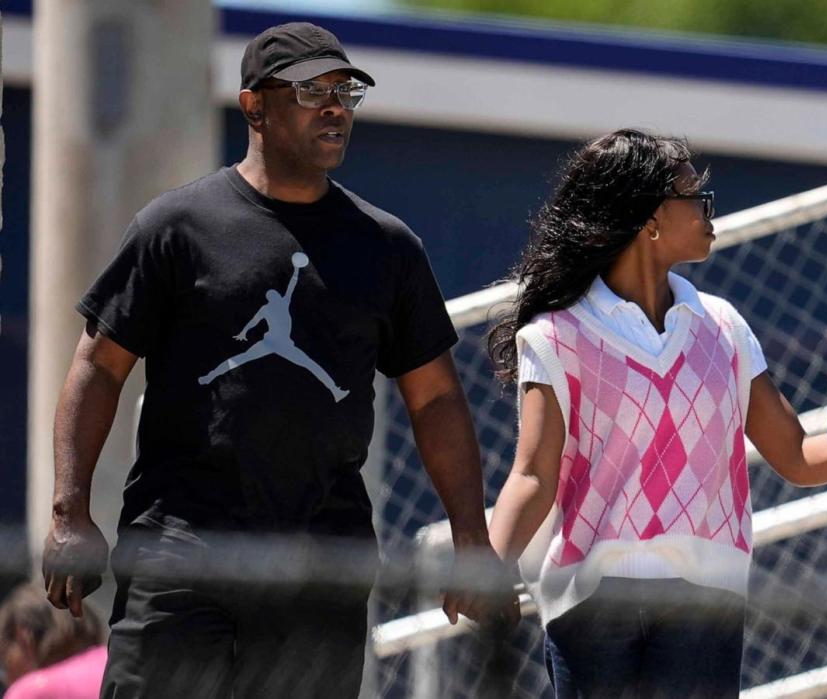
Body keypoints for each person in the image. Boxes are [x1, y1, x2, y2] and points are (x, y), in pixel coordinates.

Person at [39, 22, 514, 698]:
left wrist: (471, 539)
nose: (335, 107)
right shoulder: (175, 228)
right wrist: (68, 513)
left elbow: (435, 397)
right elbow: (99, 366)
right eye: (311, 90)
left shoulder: (387, 248)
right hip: (182, 552)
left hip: (323, 566)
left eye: (345, 91)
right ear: (254, 106)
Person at [484, 129, 827, 697]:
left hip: (705, 601)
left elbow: (797, 456)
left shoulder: (724, 328)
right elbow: (532, 474)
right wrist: (485, 569)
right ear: (651, 218)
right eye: (697, 199)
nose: (711, 213)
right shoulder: (553, 335)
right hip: (590, 604)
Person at [1, 583, 106, 699]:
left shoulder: (34, 691)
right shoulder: (118, 663)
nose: (6, 680)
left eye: (4, 664)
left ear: (23, 637)